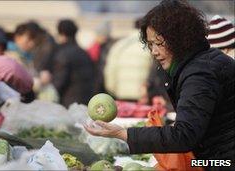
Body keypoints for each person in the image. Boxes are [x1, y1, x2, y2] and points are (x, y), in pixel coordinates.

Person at [84, 0, 235, 169]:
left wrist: (122, 133)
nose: (154, 51)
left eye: (160, 43)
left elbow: (183, 136)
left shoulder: (200, 73)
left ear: (181, 38)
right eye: (150, 44)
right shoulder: (203, 61)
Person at [52, 19, 95, 107]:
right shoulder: (84, 53)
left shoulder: (63, 54)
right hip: (87, 100)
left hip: (69, 103)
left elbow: (59, 82)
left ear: (62, 34)